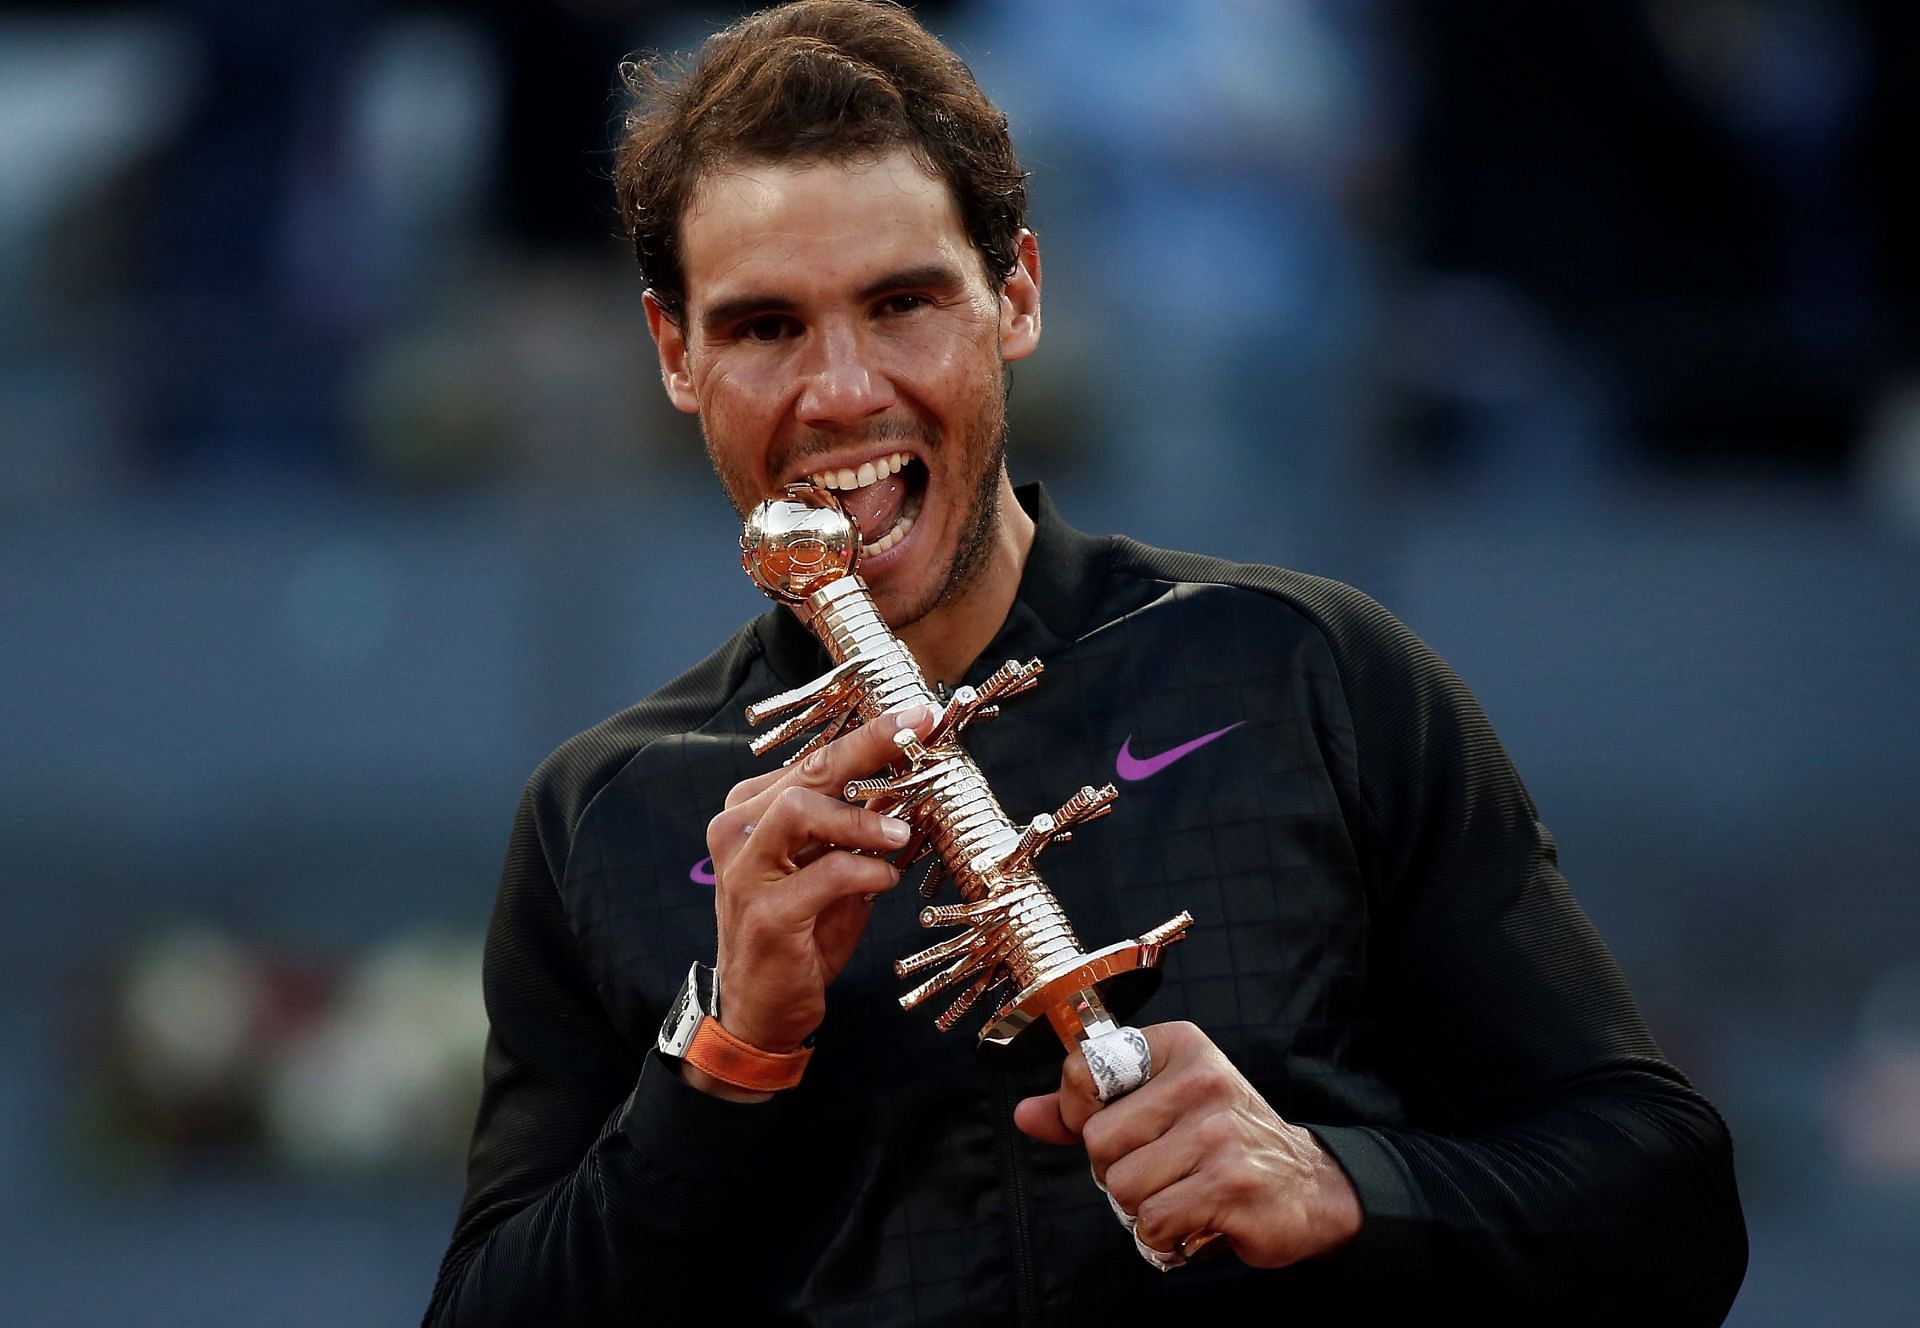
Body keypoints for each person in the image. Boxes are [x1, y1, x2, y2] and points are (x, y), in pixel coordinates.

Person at [423, 3, 1747, 1323]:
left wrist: (1338, 1184)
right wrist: (726, 1060)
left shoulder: (1308, 678)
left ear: (1017, 296)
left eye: (902, 303)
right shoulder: (603, 817)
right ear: (675, 354)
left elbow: (1668, 1211)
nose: (840, 392)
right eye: (765, 327)